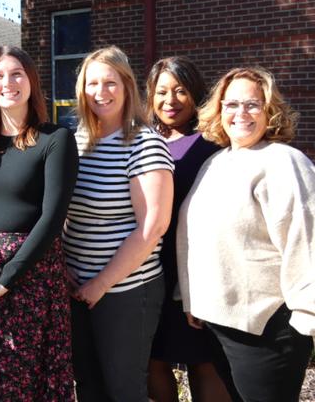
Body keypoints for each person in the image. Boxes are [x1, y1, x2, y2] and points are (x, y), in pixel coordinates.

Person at [177, 67, 314, 402]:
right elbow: (197, 237)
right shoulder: (217, 162)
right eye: (231, 104)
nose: (241, 113)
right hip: (218, 322)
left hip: (267, 327)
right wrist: (193, 298)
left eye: (253, 105)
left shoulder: (283, 161)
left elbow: (305, 240)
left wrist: (307, 319)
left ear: (270, 110)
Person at [0, 46, 78, 400]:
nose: (7, 83)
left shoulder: (55, 139)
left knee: (25, 380)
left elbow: (52, 218)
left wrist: (7, 280)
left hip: (31, 278)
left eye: (16, 74)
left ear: (31, 81)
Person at [64, 46, 174, 401]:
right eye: (92, 83)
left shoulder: (144, 144)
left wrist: (101, 283)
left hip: (126, 291)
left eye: (110, 82)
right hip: (77, 287)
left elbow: (153, 226)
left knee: (123, 389)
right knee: (90, 386)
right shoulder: (78, 141)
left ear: (127, 86)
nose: (101, 91)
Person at [144, 57, 234, 402]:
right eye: (162, 91)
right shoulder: (143, 140)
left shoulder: (215, 143)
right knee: (154, 357)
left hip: (196, 267)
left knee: (204, 360)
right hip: (149, 266)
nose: (171, 100)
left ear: (195, 93)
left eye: (180, 90)